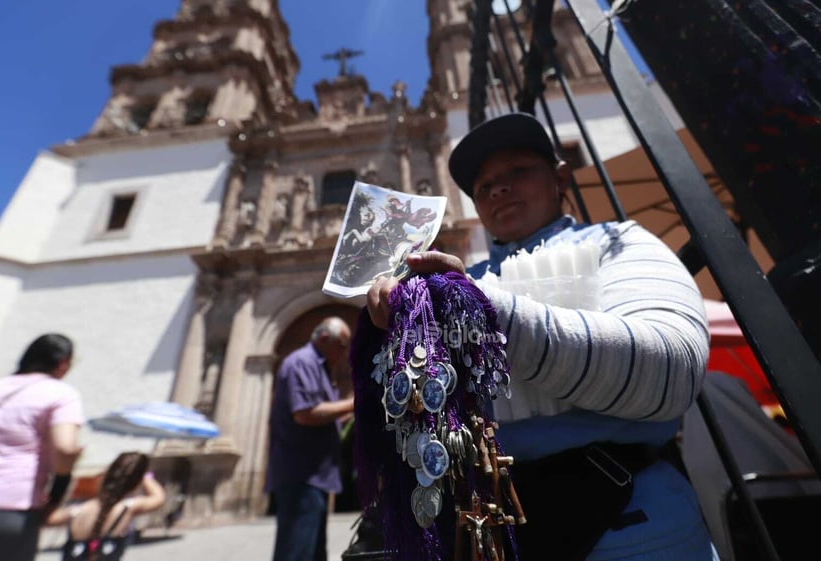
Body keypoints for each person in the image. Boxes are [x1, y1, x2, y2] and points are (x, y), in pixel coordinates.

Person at [366, 113, 715, 560]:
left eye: (518, 170)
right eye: (483, 185)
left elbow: (671, 372)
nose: (497, 188)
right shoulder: (457, 279)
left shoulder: (619, 242)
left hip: (624, 524)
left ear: (561, 176)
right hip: (486, 530)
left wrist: (483, 314)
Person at [0, 333, 85, 561]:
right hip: (14, 508)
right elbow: (65, 449)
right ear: (63, 363)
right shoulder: (60, 393)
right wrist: (57, 495)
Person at [266, 316, 356, 561]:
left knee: (312, 552)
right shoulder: (302, 363)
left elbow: (323, 416)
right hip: (301, 476)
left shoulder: (319, 368)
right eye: (343, 345)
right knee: (297, 552)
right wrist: (355, 403)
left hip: (314, 477)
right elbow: (305, 413)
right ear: (325, 338)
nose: (346, 352)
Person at [45, 451, 166, 561]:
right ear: (136, 483)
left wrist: (60, 487)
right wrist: (146, 477)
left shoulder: (77, 511)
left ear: (105, 476)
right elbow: (158, 497)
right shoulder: (127, 508)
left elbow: (48, 519)